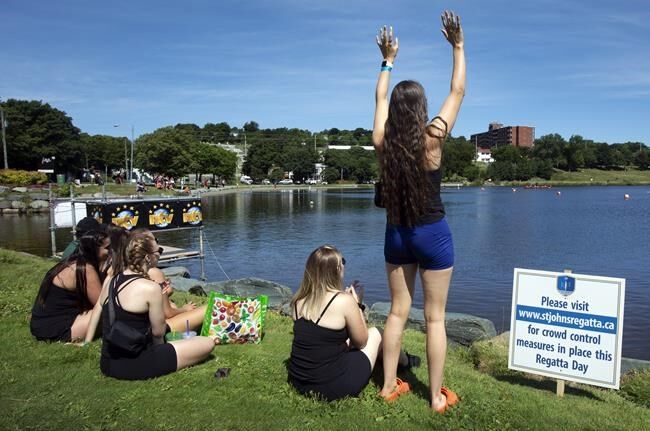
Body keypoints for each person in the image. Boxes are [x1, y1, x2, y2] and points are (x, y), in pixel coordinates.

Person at [372, 11, 465, 414]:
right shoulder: (433, 139)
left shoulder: (383, 143)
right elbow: (458, 90)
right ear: (423, 109)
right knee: (435, 320)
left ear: (396, 111)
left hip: (397, 234)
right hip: (433, 234)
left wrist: (387, 61)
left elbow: (379, 99)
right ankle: (435, 398)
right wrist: (458, 46)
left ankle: (389, 386)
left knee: (396, 312)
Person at [288, 245, 415, 401]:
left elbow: (320, 339)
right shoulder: (343, 301)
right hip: (333, 386)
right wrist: (357, 305)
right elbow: (362, 342)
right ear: (337, 269)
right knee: (378, 333)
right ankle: (405, 362)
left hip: (299, 380)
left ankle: (396, 360)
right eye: (343, 262)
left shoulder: (298, 300)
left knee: (346, 340)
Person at [84, 230, 215, 380]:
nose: (160, 253)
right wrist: (163, 353)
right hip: (135, 363)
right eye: (158, 251)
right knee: (206, 343)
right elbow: (158, 334)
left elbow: (103, 309)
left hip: (108, 362)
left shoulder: (111, 281)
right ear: (148, 257)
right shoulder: (150, 288)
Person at [31, 231, 110, 342]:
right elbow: (103, 305)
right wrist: (110, 276)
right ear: (94, 249)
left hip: (43, 325)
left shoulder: (74, 261)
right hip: (57, 329)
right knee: (108, 315)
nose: (111, 251)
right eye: (108, 247)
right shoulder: (85, 269)